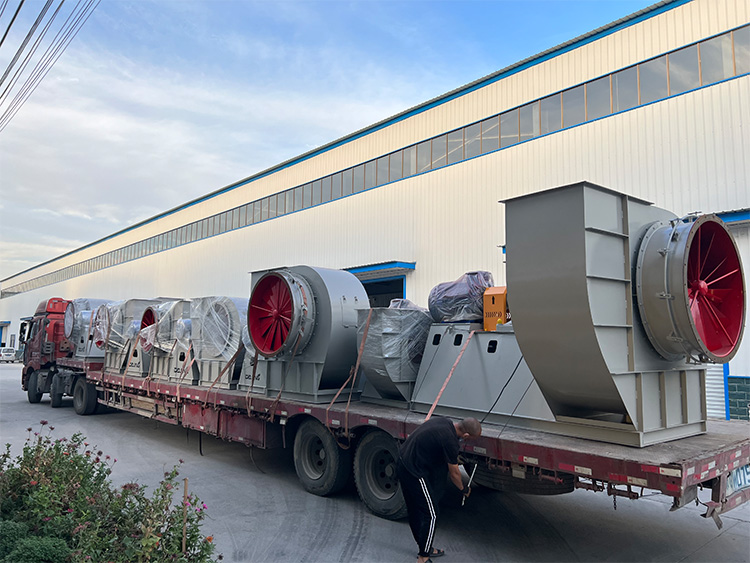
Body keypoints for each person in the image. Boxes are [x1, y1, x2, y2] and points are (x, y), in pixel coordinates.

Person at [397, 416, 482, 563]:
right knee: (432, 514)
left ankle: (425, 547)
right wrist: (463, 489)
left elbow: (435, 444)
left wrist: (452, 458)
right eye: (470, 439)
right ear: (466, 435)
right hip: (414, 471)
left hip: (402, 461)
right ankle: (423, 557)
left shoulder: (445, 422)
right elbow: (455, 474)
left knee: (415, 510)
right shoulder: (450, 441)